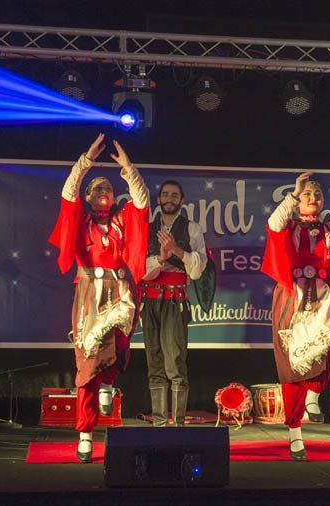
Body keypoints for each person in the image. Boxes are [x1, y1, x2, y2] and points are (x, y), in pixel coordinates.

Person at [48, 134, 149, 462]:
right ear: (88, 197)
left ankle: (109, 382)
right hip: (90, 295)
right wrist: (85, 162)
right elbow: (67, 194)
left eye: (108, 187)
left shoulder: (122, 221)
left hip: (120, 292)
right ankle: (86, 434)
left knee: (118, 349)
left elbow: (142, 201)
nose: (103, 191)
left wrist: (128, 168)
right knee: (88, 359)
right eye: (96, 188)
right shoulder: (81, 221)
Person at [262, 162, 330, 460]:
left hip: (325, 299)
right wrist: (292, 195)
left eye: (318, 192)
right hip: (293, 299)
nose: (313, 196)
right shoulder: (289, 226)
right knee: (293, 366)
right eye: (307, 193)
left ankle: (315, 395)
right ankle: (295, 433)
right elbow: (273, 224)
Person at [141, 180, 209, 426]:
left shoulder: (191, 228)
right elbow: (141, 270)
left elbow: (197, 270)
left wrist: (177, 252)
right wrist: (161, 258)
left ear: (182, 201)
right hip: (150, 302)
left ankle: (178, 424)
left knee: (176, 363)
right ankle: (160, 423)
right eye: (165, 194)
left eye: (175, 195)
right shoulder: (146, 229)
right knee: (154, 363)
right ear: (158, 199)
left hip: (174, 301)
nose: (169, 198)